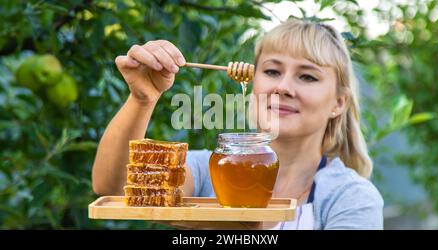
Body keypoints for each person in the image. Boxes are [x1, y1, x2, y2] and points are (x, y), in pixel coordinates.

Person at [91, 19, 384, 230]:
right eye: (271, 71)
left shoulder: (350, 198)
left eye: (307, 76)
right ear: (253, 82)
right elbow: (116, 187)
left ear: (339, 103)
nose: (283, 87)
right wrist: (142, 99)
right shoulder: (212, 168)